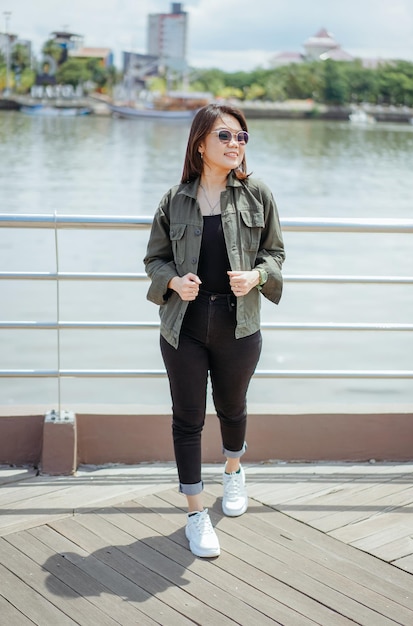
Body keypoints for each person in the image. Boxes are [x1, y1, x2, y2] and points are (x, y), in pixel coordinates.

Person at [144, 103, 285, 558]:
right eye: (225, 136)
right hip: (183, 326)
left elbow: (275, 255)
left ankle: (232, 469)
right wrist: (172, 281)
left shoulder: (257, 194)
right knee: (187, 419)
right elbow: (154, 260)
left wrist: (257, 277)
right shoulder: (174, 199)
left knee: (232, 406)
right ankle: (195, 513)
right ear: (201, 144)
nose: (235, 145)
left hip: (238, 324)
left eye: (242, 137)